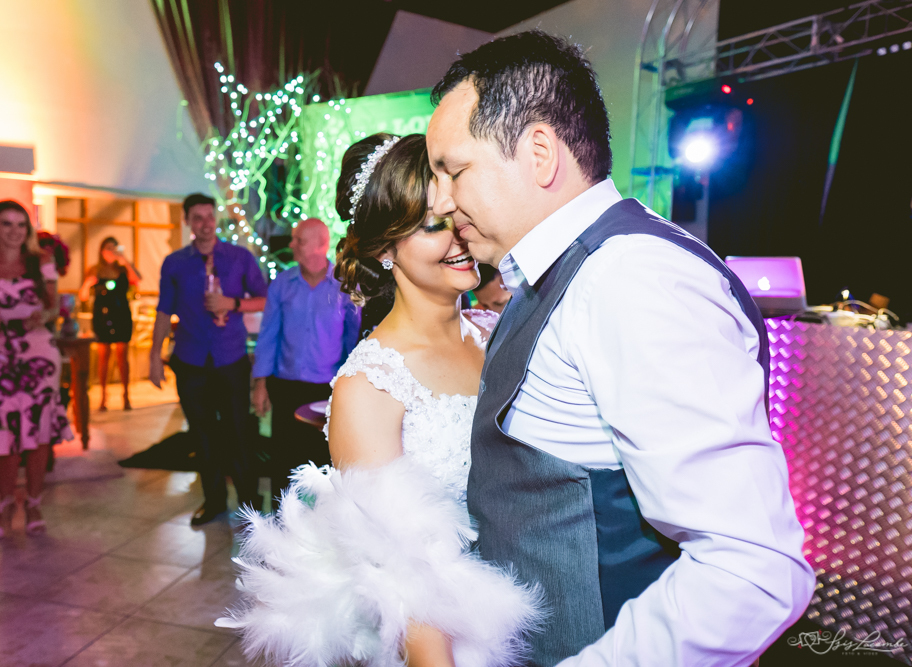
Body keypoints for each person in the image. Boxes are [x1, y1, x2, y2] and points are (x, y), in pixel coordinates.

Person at [427, 30, 815, 666]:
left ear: (540, 153)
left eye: (454, 170)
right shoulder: (566, 272)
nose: (441, 201)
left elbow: (752, 570)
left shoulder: (629, 279)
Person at [217, 133, 540, 666]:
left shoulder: (495, 331)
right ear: (385, 249)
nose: (459, 235)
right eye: (433, 225)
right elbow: (405, 582)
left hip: (537, 601)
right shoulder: (369, 386)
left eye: (459, 215)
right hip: (452, 641)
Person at [149, 193, 268, 526]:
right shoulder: (174, 263)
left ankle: (249, 504)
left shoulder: (239, 257)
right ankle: (214, 501)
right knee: (202, 434)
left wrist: (233, 303)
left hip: (231, 359)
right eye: (198, 218)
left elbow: (265, 299)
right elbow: (163, 311)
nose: (205, 224)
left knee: (238, 433)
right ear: (187, 220)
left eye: (209, 217)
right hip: (190, 360)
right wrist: (154, 356)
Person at [0, 200, 74, 542]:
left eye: (20, 224)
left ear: (27, 229)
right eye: (6, 223)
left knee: (39, 430)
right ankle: (4, 504)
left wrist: (41, 316)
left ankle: (33, 503)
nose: (14, 231)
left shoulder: (41, 261)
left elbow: (53, 307)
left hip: (39, 352)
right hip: (1, 354)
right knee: (3, 429)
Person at [251, 218, 361, 495]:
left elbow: (353, 338)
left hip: (327, 390)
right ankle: (282, 518)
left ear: (321, 245)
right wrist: (260, 384)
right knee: (283, 462)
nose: (291, 245)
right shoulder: (281, 284)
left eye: (298, 240)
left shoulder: (345, 285)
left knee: (323, 466)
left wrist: (351, 387)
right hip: (286, 387)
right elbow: (268, 336)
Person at [79, 236, 141, 411]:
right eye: (108, 248)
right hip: (102, 315)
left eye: (114, 248)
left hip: (121, 313)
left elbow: (137, 279)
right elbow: (83, 295)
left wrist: (125, 261)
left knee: (123, 356)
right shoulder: (95, 270)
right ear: (101, 250)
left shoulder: (123, 269)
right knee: (103, 356)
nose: (111, 252)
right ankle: (103, 396)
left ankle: (126, 395)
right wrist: (87, 284)